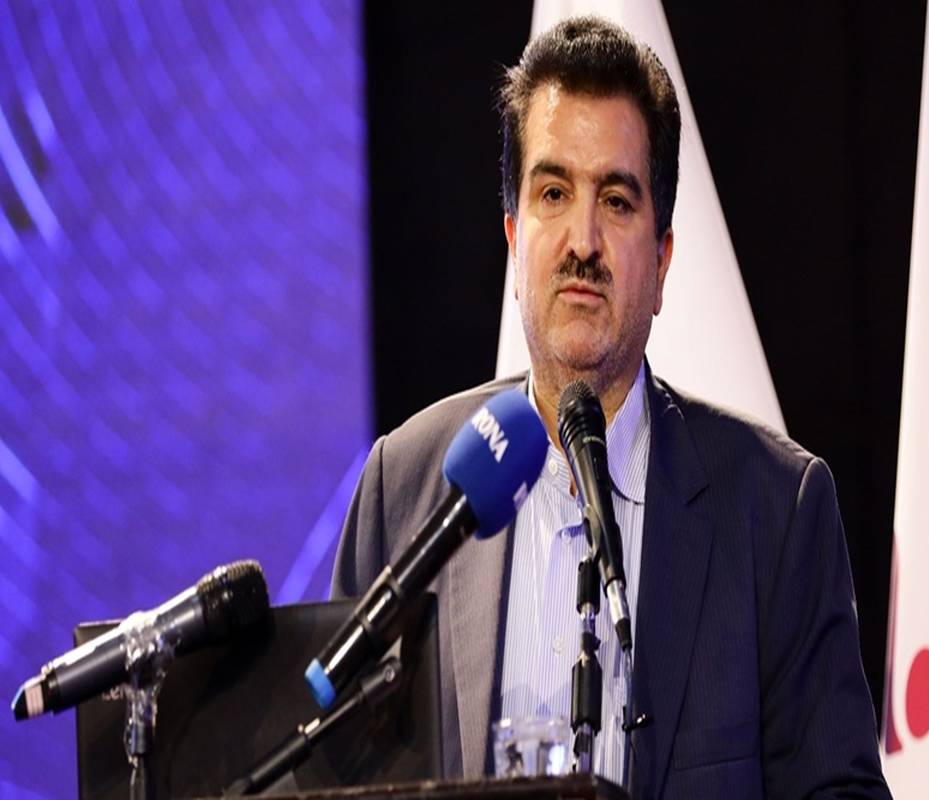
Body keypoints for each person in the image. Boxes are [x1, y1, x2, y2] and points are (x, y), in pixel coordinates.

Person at [332, 15, 891, 799]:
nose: (582, 241)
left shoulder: (777, 511)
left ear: (661, 263)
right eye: (553, 193)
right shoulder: (405, 489)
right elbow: (336, 775)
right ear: (513, 240)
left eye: (618, 201)